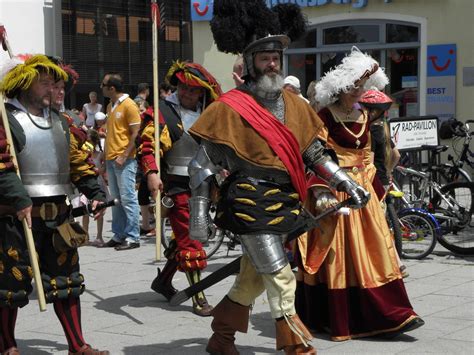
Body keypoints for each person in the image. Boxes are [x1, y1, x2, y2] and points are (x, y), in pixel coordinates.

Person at [188, 2, 370, 354]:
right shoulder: (230, 106)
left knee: (251, 278)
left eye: (276, 57)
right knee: (281, 279)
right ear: (251, 61)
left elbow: (313, 153)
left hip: (287, 199)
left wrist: (345, 182)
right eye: (264, 58)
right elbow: (202, 163)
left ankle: (221, 337)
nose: (272, 63)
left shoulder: (296, 104)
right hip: (249, 200)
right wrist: (199, 217)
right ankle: (297, 348)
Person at [295, 47, 424, 341]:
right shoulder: (324, 116)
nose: (357, 91)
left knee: (375, 252)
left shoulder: (365, 115)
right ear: (340, 86)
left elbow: (366, 155)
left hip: (362, 193)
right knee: (338, 256)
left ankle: (393, 313)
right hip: (334, 191)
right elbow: (314, 155)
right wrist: (323, 190)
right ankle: (337, 318)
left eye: (361, 86)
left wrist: (378, 189)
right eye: (353, 86)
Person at [0, 54, 108, 354]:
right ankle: (7, 346)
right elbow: (2, 164)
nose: (53, 90)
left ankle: (77, 345)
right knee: (10, 286)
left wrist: (95, 192)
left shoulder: (62, 121)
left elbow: (76, 161)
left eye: (56, 84)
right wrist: (19, 197)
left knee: (67, 282)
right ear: (23, 84)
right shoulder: (4, 119)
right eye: (45, 83)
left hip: (57, 216)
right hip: (15, 218)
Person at [143, 61, 223, 317]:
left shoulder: (210, 111)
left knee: (185, 236)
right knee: (192, 240)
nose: (188, 93)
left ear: (201, 91)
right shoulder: (162, 112)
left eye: (194, 89)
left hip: (204, 182)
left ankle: (162, 281)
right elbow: (147, 146)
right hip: (176, 184)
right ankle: (198, 296)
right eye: (184, 88)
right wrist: (152, 173)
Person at [100, 72, 141, 250]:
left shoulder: (129, 105)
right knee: (116, 199)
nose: (100, 87)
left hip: (125, 159)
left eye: (103, 85)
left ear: (112, 88)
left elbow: (136, 134)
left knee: (128, 198)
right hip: (111, 158)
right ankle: (119, 234)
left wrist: (124, 154)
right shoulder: (111, 105)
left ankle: (133, 237)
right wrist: (104, 155)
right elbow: (112, 133)